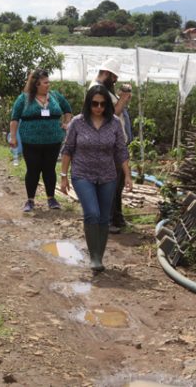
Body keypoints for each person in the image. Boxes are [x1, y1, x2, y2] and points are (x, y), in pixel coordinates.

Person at [60, 86, 132, 273]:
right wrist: (63, 176)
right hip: (83, 174)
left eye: (102, 104)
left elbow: (121, 150)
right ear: (88, 103)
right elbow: (68, 149)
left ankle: (99, 255)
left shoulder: (114, 123)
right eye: (94, 104)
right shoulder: (78, 122)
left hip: (108, 175)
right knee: (92, 212)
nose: (98, 107)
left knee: (104, 217)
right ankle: (94, 256)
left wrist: (128, 175)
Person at [9, 68, 73, 212]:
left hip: (53, 140)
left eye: (48, 82)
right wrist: (13, 137)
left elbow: (67, 109)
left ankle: (51, 199)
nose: (48, 85)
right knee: (33, 170)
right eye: (45, 83)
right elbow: (14, 119)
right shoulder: (24, 99)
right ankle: (30, 200)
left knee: (49, 169)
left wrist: (66, 123)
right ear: (36, 84)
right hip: (31, 142)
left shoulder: (55, 96)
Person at [90, 59, 133, 233]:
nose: (115, 81)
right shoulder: (96, 89)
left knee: (119, 182)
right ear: (107, 74)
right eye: (114, 77)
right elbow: (112, 113)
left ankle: (116, 217)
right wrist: (123, 99)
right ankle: (105, 222)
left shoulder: (105, 89)